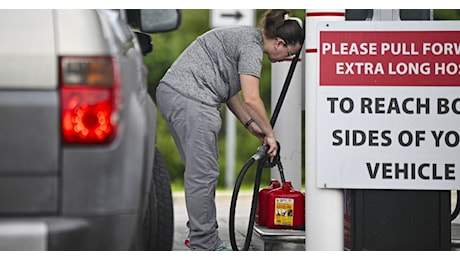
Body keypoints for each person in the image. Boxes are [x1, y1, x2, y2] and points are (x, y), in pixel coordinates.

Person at [156, 9, 305, 251]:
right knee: (203, 175)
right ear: (279, 42)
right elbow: (252, 99)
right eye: (288, 53)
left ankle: (199, 233)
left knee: (200, 173)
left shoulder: (245, 37)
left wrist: (252, 127)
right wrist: (270, 134)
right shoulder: (251, 47)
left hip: (176, 94)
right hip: (192, 98)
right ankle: (204, 244)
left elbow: (230, 93)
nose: (284, 59)